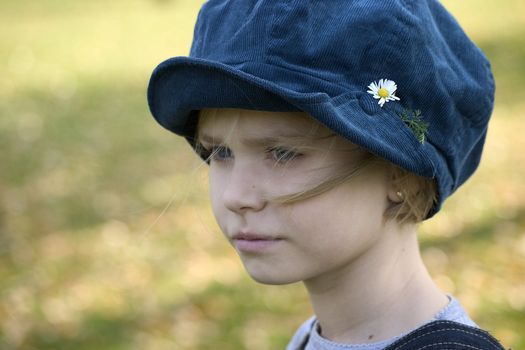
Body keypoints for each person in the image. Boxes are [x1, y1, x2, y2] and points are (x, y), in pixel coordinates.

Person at [147, 1, 507, 349]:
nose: (236, 196)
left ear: (400, 173)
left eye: (283, 153)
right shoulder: (310, 337)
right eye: (220, 152)